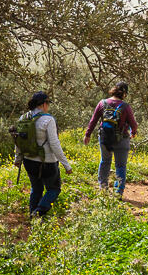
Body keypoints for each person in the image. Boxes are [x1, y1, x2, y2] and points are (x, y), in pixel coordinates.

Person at [11, 90, 71, 219]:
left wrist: (18, 158)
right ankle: (38, 213)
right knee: (54, 189)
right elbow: (54, 144)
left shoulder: (23, 118)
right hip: (47, 162)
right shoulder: (48, 120)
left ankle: (33, 217)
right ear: (43, 104)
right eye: (48, 103)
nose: (48, 106)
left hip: (28, 161)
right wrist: (66, 165)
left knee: (36, 189)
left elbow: (18, 141)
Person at [84, 81, 138, 195]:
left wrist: (87, 135)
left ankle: (103, 189)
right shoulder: (125, 106)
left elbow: (93, 121)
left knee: (105, 162)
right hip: (122, 139)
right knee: (120, 166)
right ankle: (118, 193)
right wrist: (133, 132)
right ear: (124, 94)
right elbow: (133, 123)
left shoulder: (102, 103)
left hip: (105, 138)